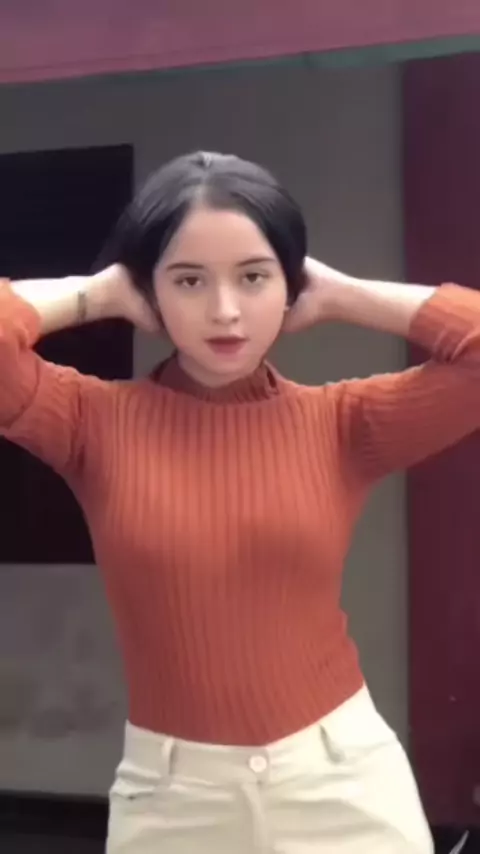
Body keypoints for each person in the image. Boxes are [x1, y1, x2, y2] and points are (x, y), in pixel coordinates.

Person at [2, 150, 479, 854]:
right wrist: (96, 294)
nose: (225, 311)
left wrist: (344, 295)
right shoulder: (89, 423)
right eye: (188, 280)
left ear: (290, 283)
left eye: (254, 277)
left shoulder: (343, 424)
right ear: (149, 290)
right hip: (172, 800)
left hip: (342, 781)